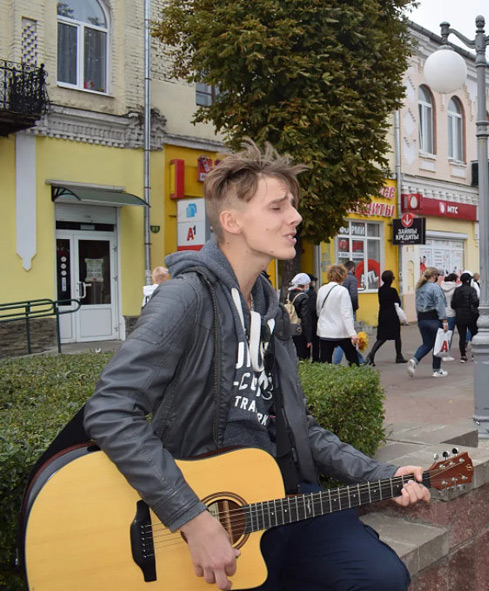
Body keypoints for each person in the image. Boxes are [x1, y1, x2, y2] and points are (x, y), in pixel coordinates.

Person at [83, 140, 427, 591]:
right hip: (204, 507)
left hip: (279, 498)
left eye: (293, 206)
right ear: (232, 221)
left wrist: (380, 474)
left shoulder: (270, 312)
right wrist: (191, 517)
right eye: (278, 207)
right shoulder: (186, 299)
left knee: (382, 577)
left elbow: (299, 427)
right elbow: (109, 411)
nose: (296, 217)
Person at [408, 266, 449, 378]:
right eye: (437, 275)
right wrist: (444, 321)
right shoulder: (435, 288)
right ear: (434, 276)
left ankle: (414, 360)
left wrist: (419, 319)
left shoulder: (419, 288)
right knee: (438, 344)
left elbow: (417, 305)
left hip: (422, 319)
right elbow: (440, 304)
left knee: (427, 343)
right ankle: (437, 369)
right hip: (434, 319)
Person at [318, 264, 360, 365]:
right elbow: (346, 314)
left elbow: (319, 310)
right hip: (341, 332)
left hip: (324, 331)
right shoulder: (343, 291)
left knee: (325, 362)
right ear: (342, 276)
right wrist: (352, 333)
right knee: (353, 360)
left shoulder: (321, 289)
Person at [365, 269, 406, 366]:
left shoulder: (380, 290)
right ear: (391, 280)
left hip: (382, 315)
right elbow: (398, 302)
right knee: (397, 336)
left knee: (382, 337)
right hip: (392, 316)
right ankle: (399, 356)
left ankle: (371, 355)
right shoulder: (393, 291)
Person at [332, 260, 363, 364]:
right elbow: (353, 296)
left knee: (346, 337)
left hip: (338, 310)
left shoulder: (340, 279)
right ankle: (336, 362)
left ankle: (360, 360)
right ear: (353, 269)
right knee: (347, 337)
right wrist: (355, 307)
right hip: (348, 310)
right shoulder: (352, 278)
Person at [450, 273, 479, 363]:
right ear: (468, 280)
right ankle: (474, 355)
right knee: (474, 335)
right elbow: (475, 302)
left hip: (460, 317)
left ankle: (463, 356)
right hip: (471, 316)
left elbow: (453, 304)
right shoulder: (472, 290)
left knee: (462, 336)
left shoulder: (457, 290)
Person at [288, 273, 316, 361]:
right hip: (301, 331)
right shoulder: (304, 297)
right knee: (303, 357)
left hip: (291, 327)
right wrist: (308, 338)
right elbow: (305, 318)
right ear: (305, 284)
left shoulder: (290, 294)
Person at [439, 272, 459, 362]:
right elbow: (455, 301)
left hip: (442, 313)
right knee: (449, 334)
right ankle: (446, 354)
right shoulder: (455, 289)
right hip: (451, 313)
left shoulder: (440, 287)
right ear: (454, 280)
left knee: (442, 333)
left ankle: (440, 351)